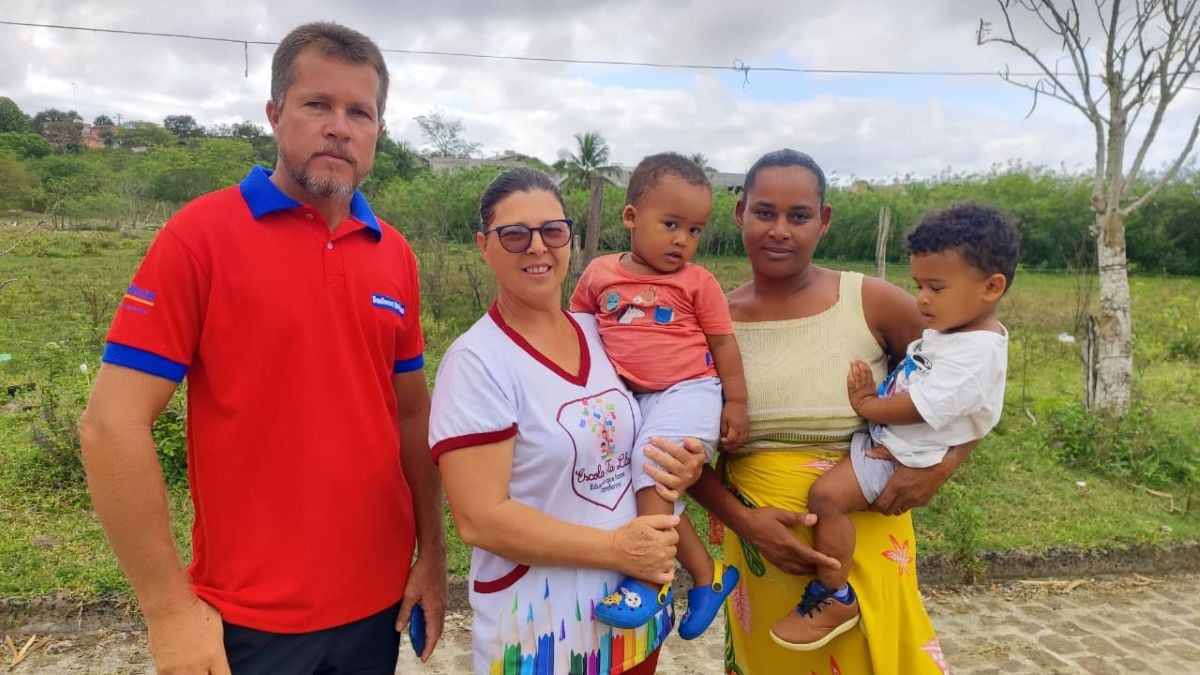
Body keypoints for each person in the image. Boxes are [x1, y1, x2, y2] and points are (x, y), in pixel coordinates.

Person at [78, 22, 447, 674]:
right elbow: (111, 424)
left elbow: (412, 413)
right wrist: (168, 610)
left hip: (375, 606)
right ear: (275, 115)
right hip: (249, 619)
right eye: (316, 105)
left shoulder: (394, 255)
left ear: (377, 134)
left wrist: (433, 554)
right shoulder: (202, 237)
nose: (339, 126)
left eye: (358, 111)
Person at [686, 149, 976, 673]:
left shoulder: (872, 303)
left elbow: (971, 382)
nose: (779, 230)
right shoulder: (709, 320)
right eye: (764, 212)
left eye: (798, 216)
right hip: (760, 554)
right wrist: (747, 524)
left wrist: (942, 467)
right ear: (740, 214)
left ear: (824, 221)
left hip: (866, 542)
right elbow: (672, 448)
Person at [429, 167, 708, 674]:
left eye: (552, 231)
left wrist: (679, 463)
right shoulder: (477, 362)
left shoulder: (603, 332)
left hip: (630, 622)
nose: (537, 247)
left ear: (569, 241)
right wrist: (617, 549)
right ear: (483, 246)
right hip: (539, 634)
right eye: (514, 234)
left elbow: (646, 429)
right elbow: (479, 517)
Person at [771, 202, 1019, 650]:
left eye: (935, 287)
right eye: (918, 284)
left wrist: (867, 404)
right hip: (888, 441)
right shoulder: (953, 331)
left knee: (826, 497)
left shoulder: (974, 353)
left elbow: (920, 407)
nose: (921, 298)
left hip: (901, 455)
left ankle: (835, 592)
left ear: (992, 286)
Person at [569, 152, 743, 640]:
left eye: (694, 230)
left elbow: (723, 343)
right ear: (630, 218)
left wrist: (738, 403)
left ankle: (650, 579)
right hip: (631, 398)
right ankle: (708, 578)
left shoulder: (698, 282)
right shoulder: (600, 274)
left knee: (655, 467)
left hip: (689, 390)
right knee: (649, 491)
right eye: (671, 224)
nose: (682, 240)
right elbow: (577, 329)